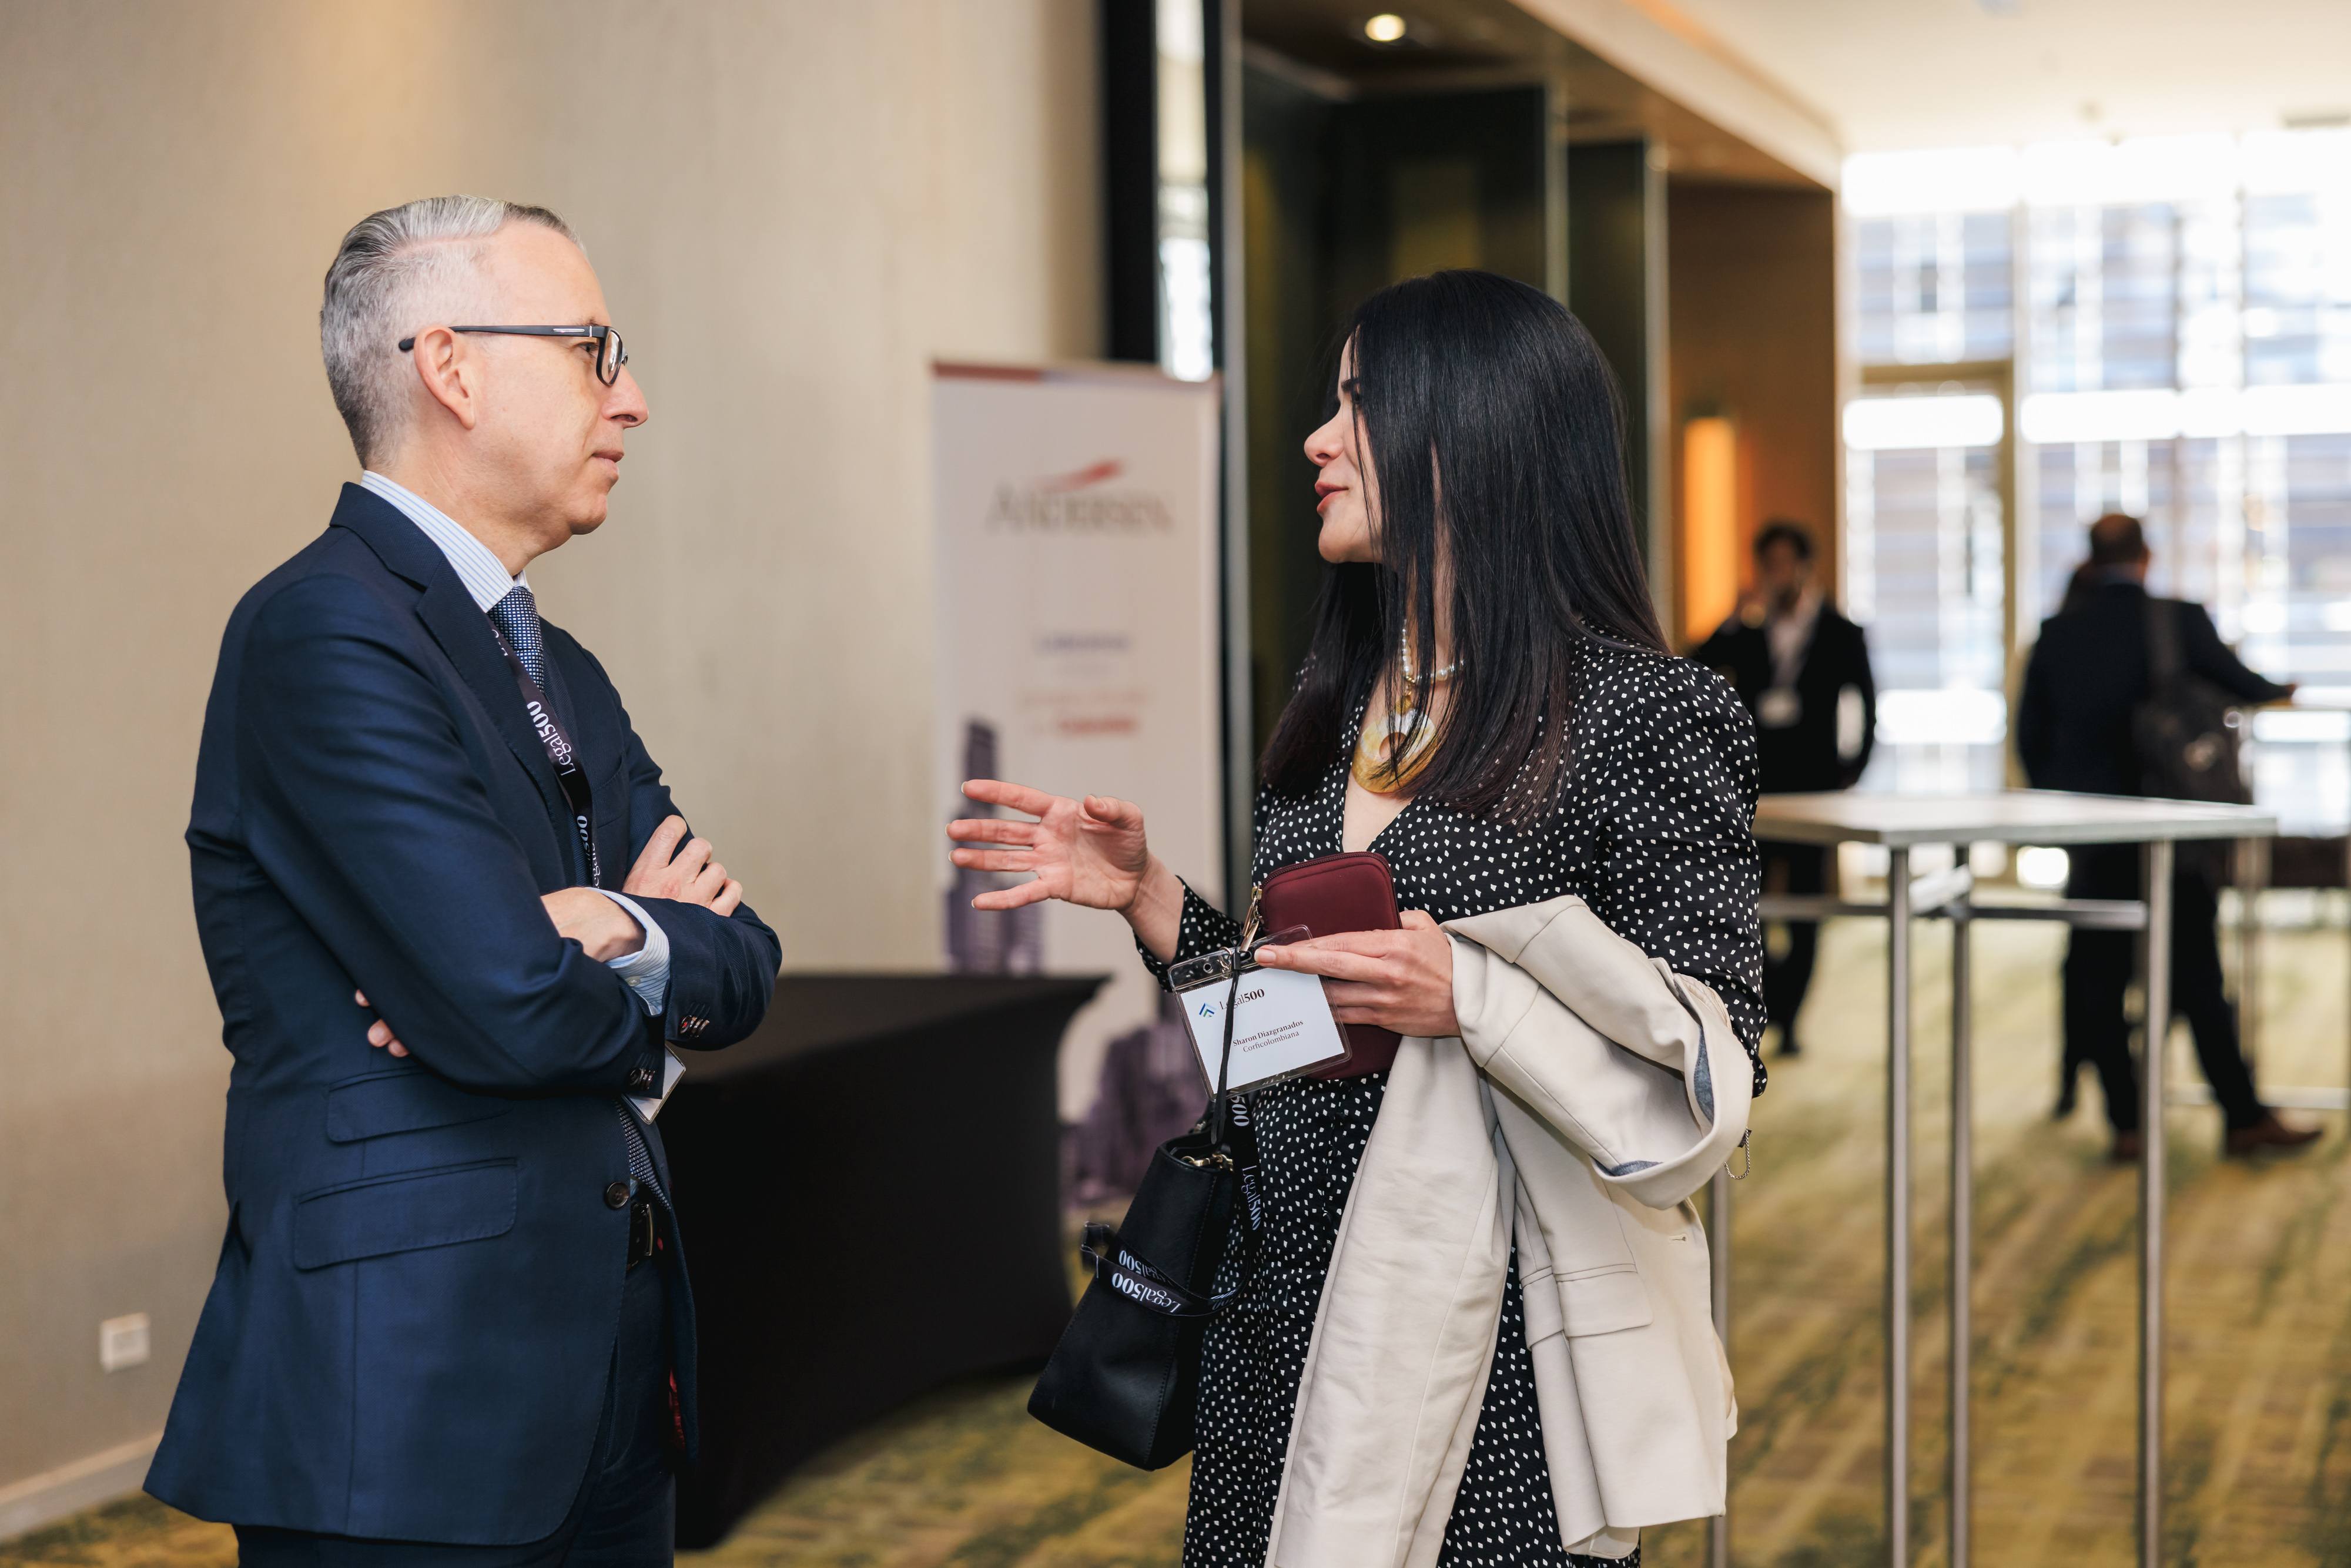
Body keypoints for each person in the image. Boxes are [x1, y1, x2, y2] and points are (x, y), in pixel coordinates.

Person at [951, 270, 1765, 1567]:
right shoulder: (1341, 702)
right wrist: (1152, 899)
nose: (1317, 440)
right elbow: (1292, 1034)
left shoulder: (1644, 714)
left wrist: (1471, 998)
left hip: (1496, 1332)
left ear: (1472, 427)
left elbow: (1714, 1068)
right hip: (1283, 1306)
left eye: (1356, 403)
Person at [147, 197, 783, 1563]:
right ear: (452, 367)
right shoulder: (324, 631)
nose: (632, 398)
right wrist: (601, 961)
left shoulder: (558, 666)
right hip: (411, 1399)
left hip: (607, 1374)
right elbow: (505, 999)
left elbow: (746, 962)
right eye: (594, 351)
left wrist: (609, 922)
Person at [2015, 512, 2317, 1161]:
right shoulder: (2174, 619)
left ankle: (2126, 1124)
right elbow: (2245, 686)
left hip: (2092, 831)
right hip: (2169, 828)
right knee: (2197, 974)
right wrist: (2286, 690)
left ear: (2091, 558)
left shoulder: (2058, 632)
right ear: (2146, 556)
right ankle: (2241, 1115)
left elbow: (2030, 736)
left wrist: (2064, 802)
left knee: (2097, 979)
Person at [1691, 520, 1876, 1056]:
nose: (1776, 574)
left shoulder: (1840, 631)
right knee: (1745, 904)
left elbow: (1867, 706)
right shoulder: (1748, 630)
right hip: (1755, 788)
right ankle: (1767, 1000)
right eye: (1767, 564)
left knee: (1806, 905)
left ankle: (1791, 1015)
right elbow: (1692, 665)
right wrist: (1732, 617)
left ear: (1806, 567)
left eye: (1784, 563)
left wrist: (1853, 771)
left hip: (1815, 788)